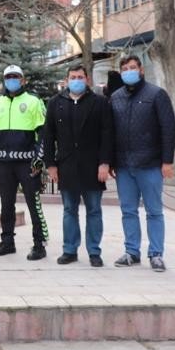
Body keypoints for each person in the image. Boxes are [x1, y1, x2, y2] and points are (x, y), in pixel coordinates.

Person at [42, 64, 113, 268]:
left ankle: (94, 251)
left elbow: (107, 135)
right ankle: (70, 250)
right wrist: (50, 165)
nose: (76, 80)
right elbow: (48, 136)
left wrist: (105, 163)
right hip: (66, 166)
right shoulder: (56, 103)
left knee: (94, 210)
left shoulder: (99, 103)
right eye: (73, 77)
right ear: (66, 80)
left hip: (93, 167)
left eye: (80, 77)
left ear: (87, 80)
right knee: (69, 210)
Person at [110, 54, 175, 272]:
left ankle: (156, 254)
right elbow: (109, 131)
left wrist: (167, 161)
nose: (128, 71)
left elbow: (169, 128)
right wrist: (110, 161)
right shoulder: (116, 97)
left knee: (154, 211)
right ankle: (131, 252)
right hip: (123, 165)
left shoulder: (156, 95)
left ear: (141, 70)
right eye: (125, 69)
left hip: (150, 164)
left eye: (132, 67)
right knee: (128, 210)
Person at [0, 64, 50, 260]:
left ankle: (39, 244)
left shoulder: (33, 101)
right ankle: (7, 241)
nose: (12, 80)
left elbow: (43, 133)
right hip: (4, 163)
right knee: (6, 205)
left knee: (33, 203)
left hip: (27, 163)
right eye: (8, 77)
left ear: (23, 80)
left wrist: (39, 159)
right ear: (4, 80)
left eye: (16, 77)